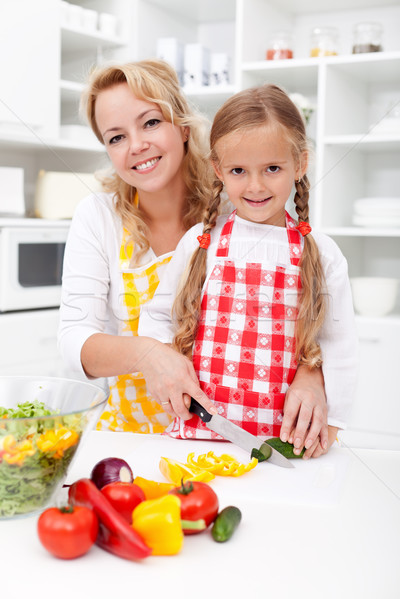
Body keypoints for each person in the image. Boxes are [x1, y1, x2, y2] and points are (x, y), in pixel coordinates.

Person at [58, 60, 329, 456]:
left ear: (182, 126)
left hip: (227, 441)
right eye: (116, 138)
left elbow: (301, 312)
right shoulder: (99, 216)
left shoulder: (239, 203)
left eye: (150, 123)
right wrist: (148, 353)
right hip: (131, 442)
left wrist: (311, 374)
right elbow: (73, 341)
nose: (136, 146)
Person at [139, 83, 358, 457]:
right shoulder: (200, 243)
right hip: (197, 441)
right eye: (239, 170)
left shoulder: (322, 253)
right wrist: (168, 367)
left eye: (272, 168)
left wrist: (331, 421)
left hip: (285, 446)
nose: (255, 186)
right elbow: (158, 317)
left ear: (301, 164)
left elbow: (338, 344)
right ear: (218, 169)